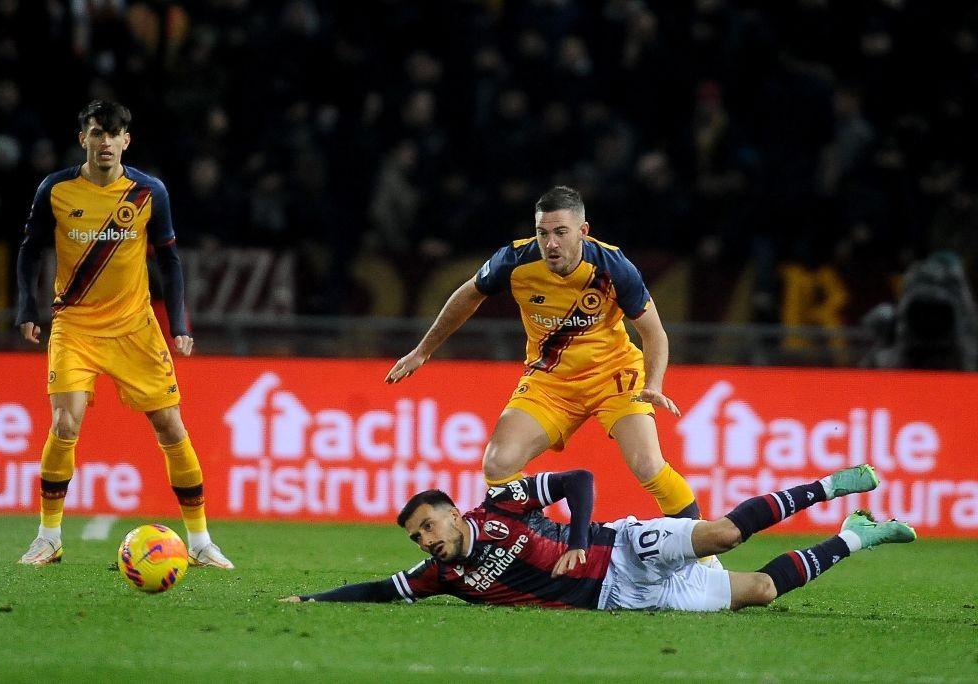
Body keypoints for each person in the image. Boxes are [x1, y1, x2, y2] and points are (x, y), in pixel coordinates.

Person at [386, 185, 701, 524]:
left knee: (648, 466)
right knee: (498, 464)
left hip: (614, 376)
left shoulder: (613, 267)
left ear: (583, 231)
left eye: (561, 232)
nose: (551, 243)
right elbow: (468, 296)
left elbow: (653, 332)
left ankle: (704, 555)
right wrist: (423, 351)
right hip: (550, 382)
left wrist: (654, 383)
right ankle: (535, 543)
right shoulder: (515, 260)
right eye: (543, 233)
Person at [14, 100, 233, 569]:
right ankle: (48, 538)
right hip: (75, 325)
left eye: (114, 134)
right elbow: (30, 250)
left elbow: (170, 261)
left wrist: (181, 323)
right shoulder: (54, 190)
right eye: (97, 133)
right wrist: (27, 308)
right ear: (83, 139)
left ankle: (199, 542)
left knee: (171, 426)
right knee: (64, 424)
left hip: (135, 328)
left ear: (126, 141)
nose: (106, 142)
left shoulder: (148, 192)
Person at [280, 464, 916, 610]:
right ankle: (858, 537)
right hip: (624, 602)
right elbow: (377, 590)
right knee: (761, 592)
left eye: (426, 525)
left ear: (450, 511)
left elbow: (578, 479)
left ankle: (831, 488)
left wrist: (581, 538)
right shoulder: (441, 576)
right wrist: (311, 602)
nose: (424, 541)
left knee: (722, 533)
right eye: (416, 537)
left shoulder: (502, 505)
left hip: (623, 549)